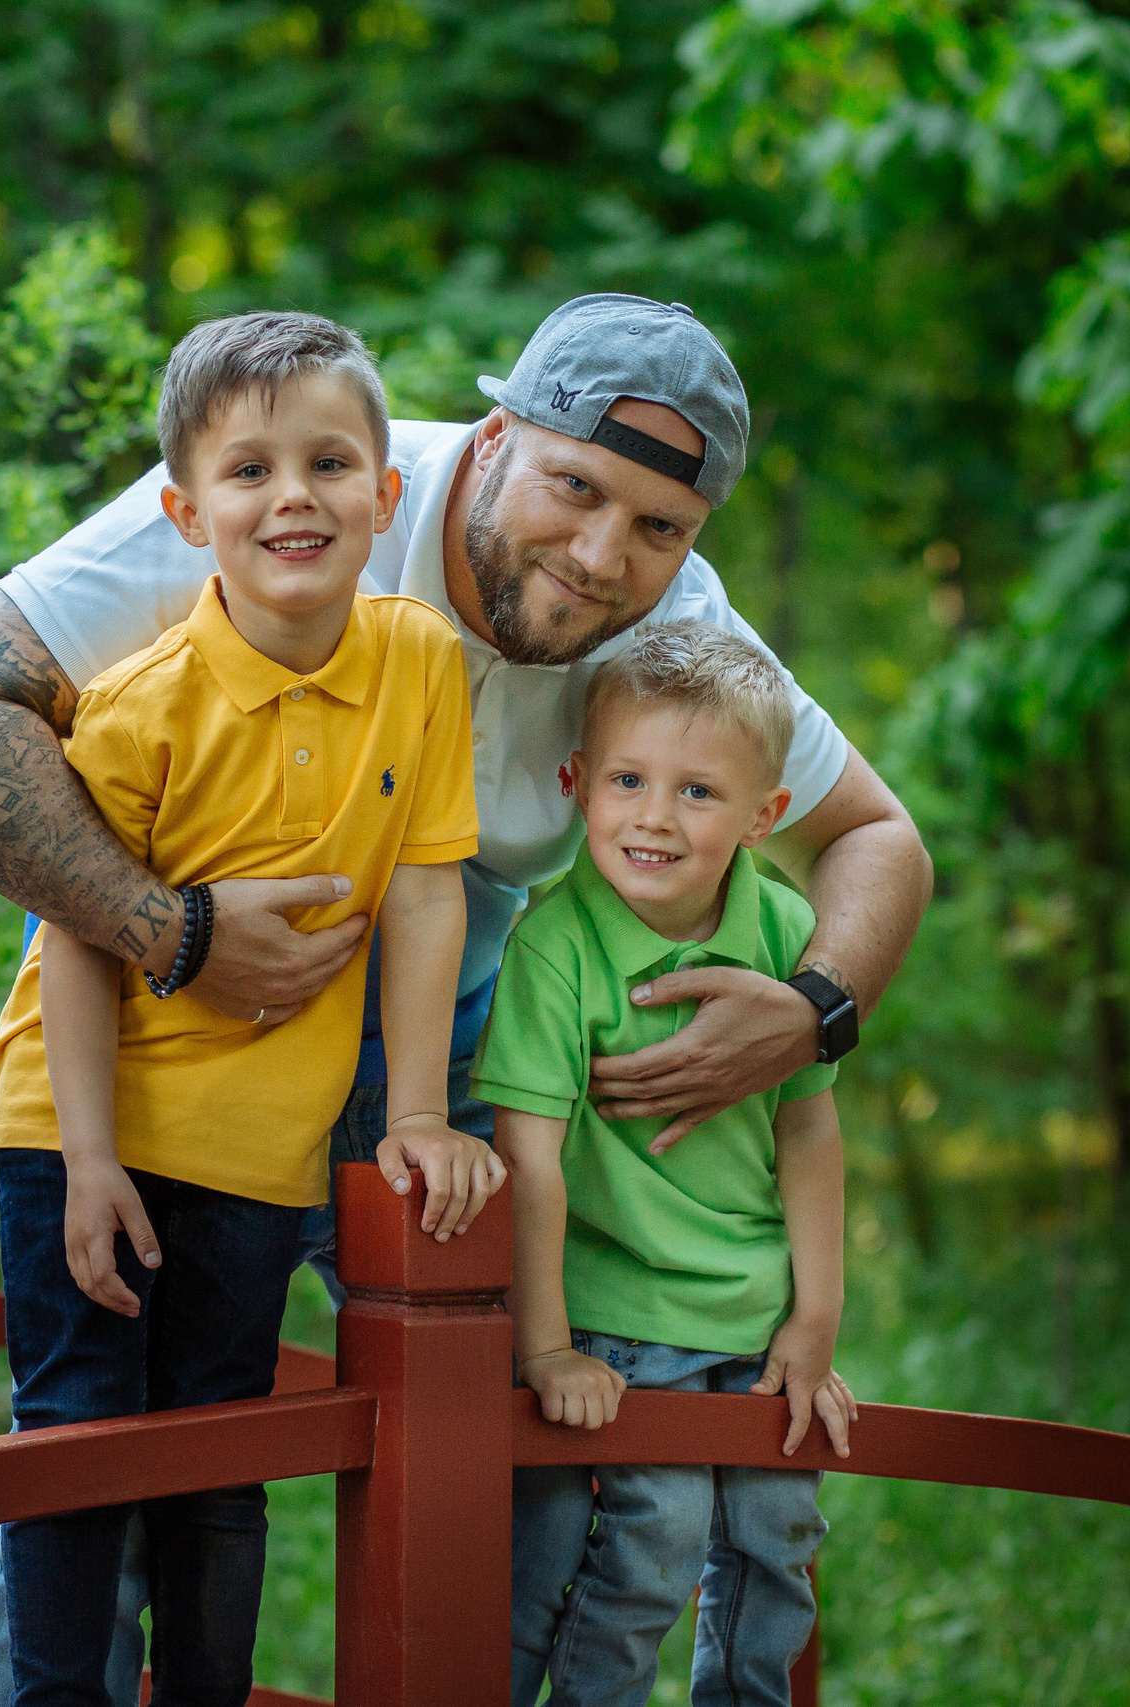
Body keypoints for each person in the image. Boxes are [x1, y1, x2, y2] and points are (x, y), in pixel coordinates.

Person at [0, 293, 933, 1703]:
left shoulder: (677, 617)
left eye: (661, 525)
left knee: (505, 1451)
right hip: (180, 1050)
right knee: (113, 1457)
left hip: (446, 1070)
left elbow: (878, 836)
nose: (607, 554)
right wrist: (166, 926)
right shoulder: (313, 484)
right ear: (487, 444)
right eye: (576, 488)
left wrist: (815, 1008)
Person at [0, 309, 504, 1707]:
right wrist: (87, 1164)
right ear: (185, 511)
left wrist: (419, 1115)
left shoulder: (422, 666)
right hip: (81, 1121)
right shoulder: (136, 706)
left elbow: (429, 895)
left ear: (386, 497)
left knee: (220, 1462)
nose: (294, 497)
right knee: (80, 1441)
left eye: (331, 463)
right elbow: (84, 942)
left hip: (261, 1147)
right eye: (250, 469)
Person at [479, 622, 855, 1707]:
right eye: (629, 781)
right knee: (651, 1545)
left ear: (762, 815)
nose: (653, 816)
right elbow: (531, 1162)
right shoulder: (555, 949)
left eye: (697, 792)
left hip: (758, 1315)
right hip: (618, 1310)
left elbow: (809, 1129)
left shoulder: (789, 935)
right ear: (574, 785)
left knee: (777, 1546)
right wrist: (546, 1350)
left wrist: (815, 1316)